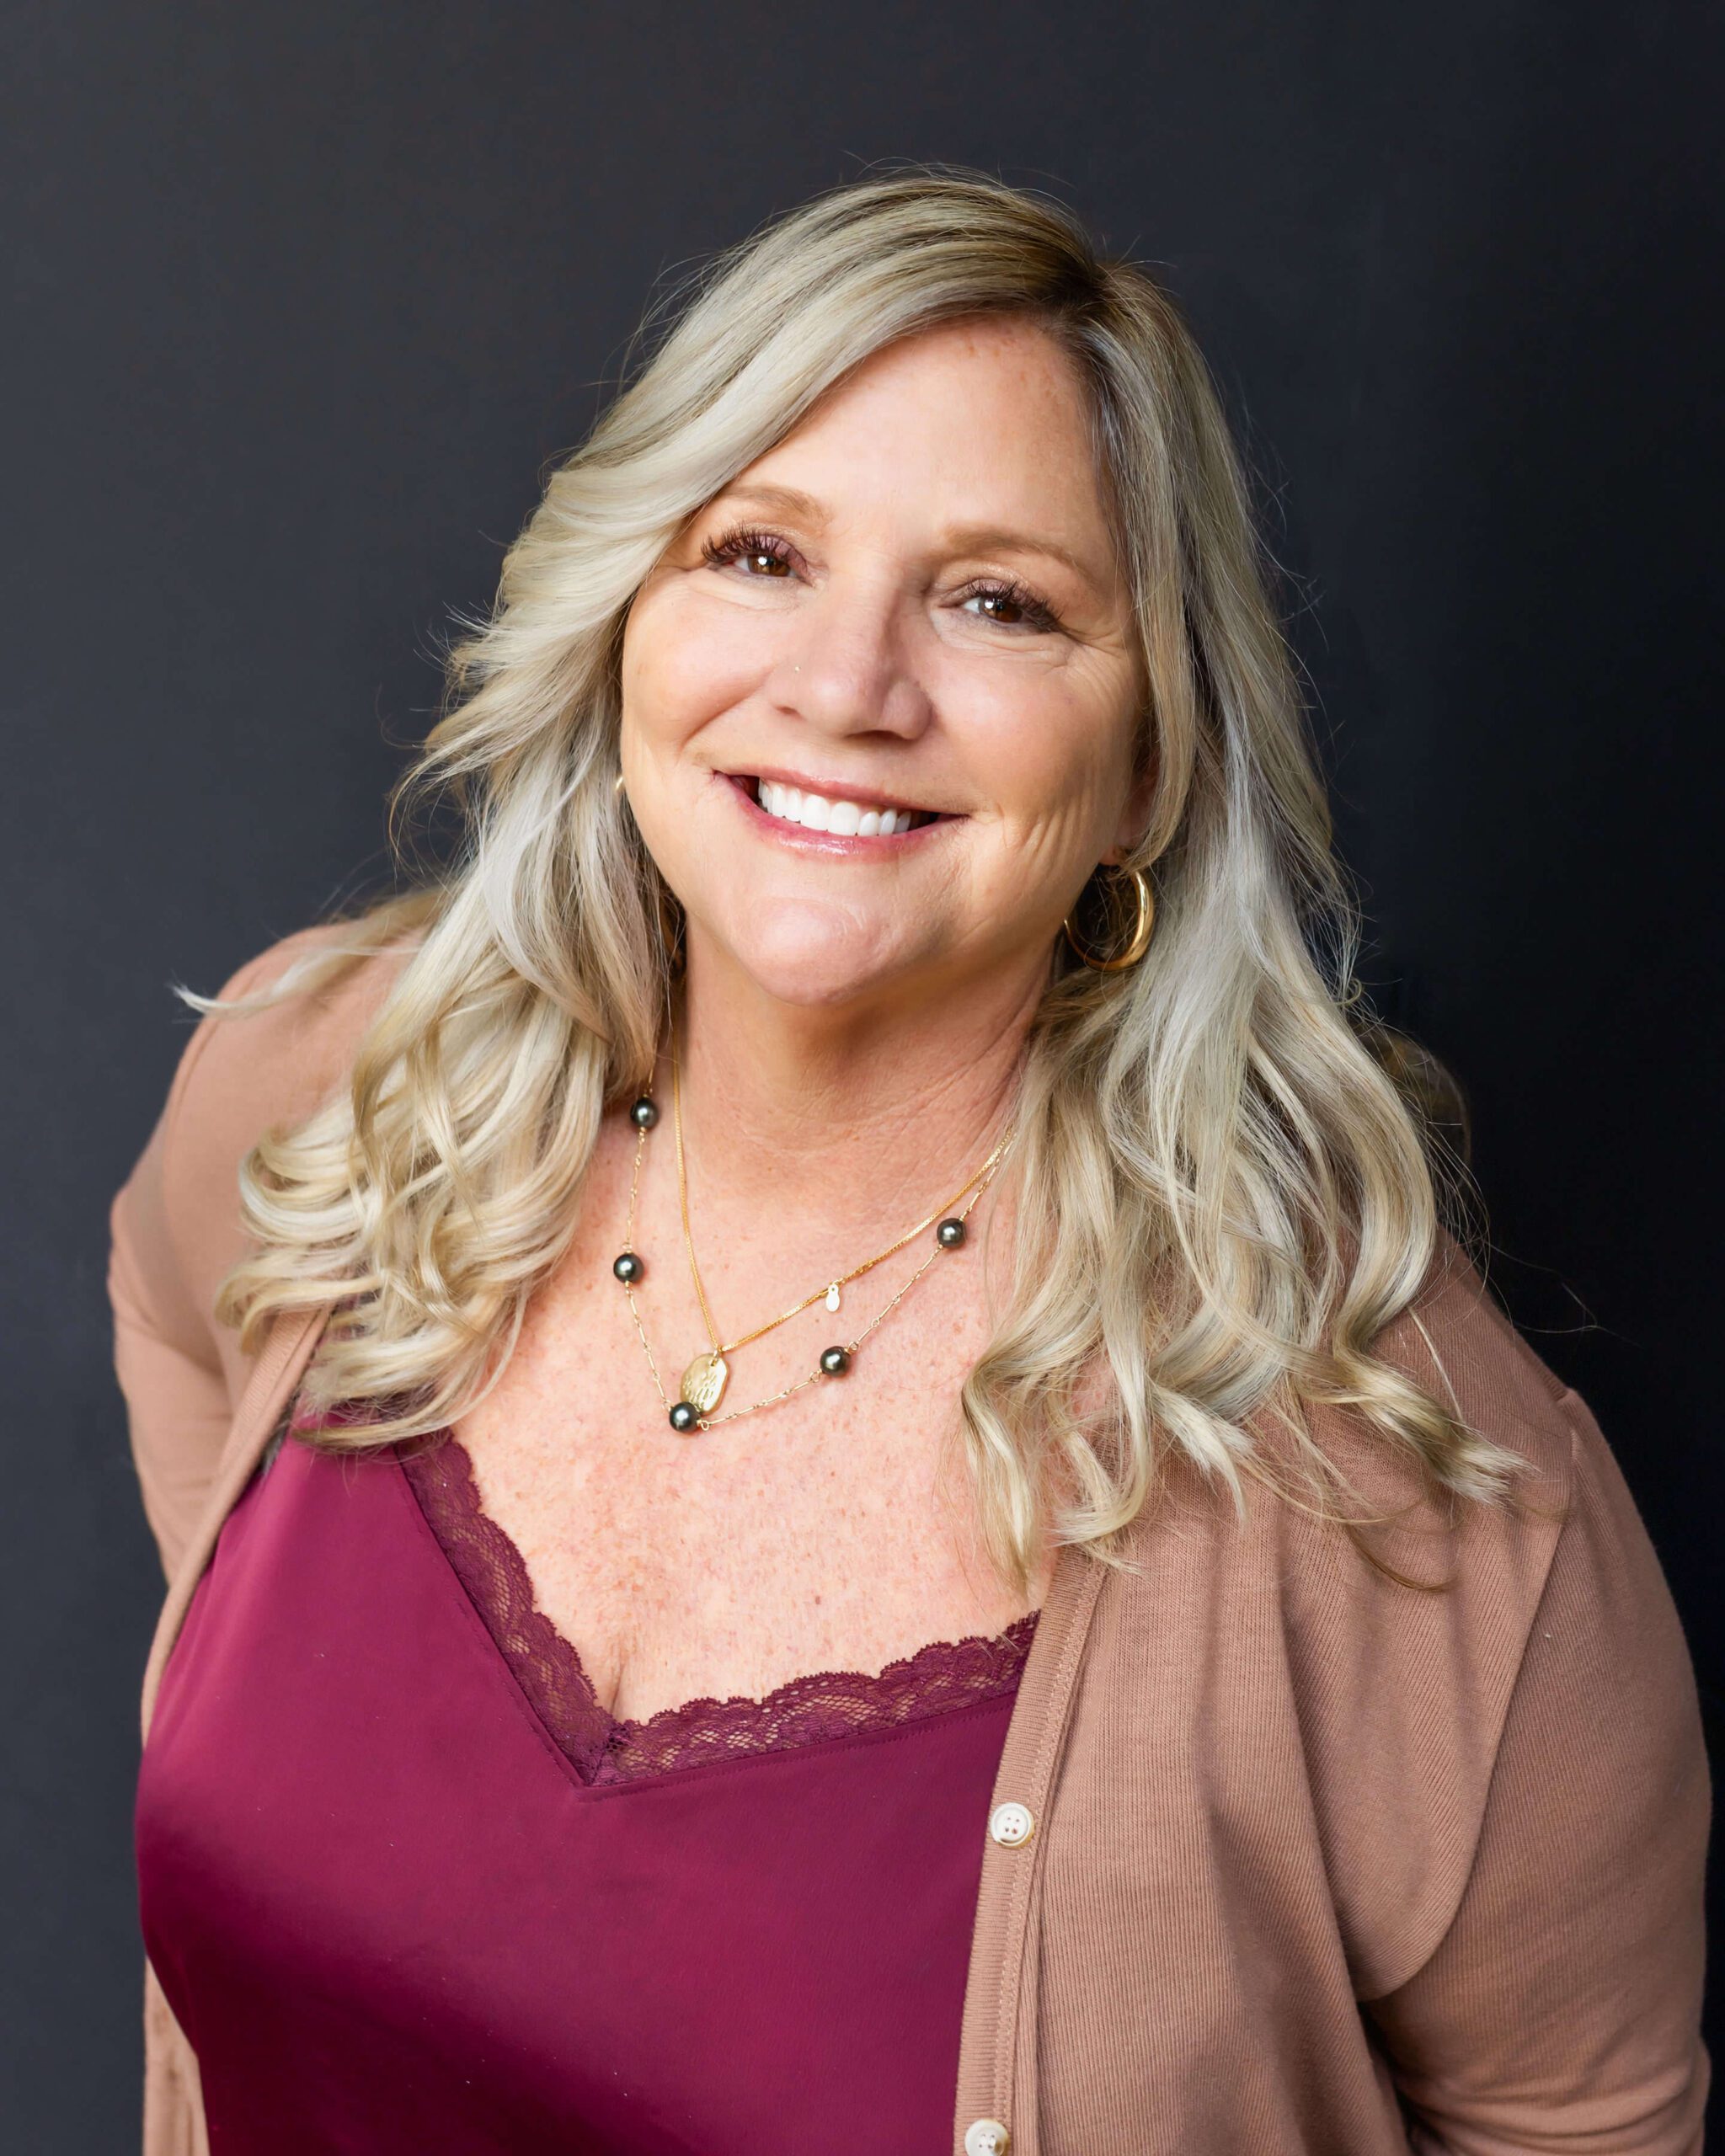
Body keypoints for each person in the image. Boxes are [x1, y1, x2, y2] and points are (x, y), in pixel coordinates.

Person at [109, 168, 1709, 2156]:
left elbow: (1584, 2124)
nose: (850, 687)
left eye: (997, 602)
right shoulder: (340, 1087)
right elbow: (179, 1315)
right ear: (629, 620)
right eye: (760, 554)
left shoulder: (1404, 1479)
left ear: (1145, 763)